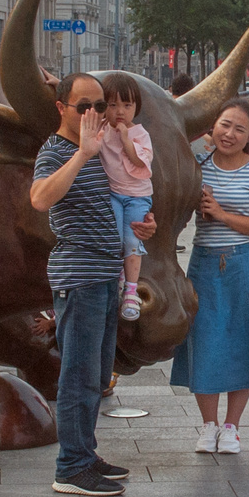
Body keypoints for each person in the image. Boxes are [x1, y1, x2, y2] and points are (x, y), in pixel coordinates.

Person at [30, 72, 155, 497]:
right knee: (79, 375)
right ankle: (71, 467)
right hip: (79, 277)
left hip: (105, 275)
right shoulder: (58, 151)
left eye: (99, 106)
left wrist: (144, 226)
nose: (94, 113)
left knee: (98, 374)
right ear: (61, 108)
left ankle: (85, 452)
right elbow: (41, 198)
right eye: (83, 105)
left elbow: (123, 199)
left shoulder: (101, 150)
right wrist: (82, 155)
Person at [171, 98, 249, 454]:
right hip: (204, 265)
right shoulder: (198, 166)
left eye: (240, 128)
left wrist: (221, 214)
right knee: (204, 343)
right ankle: (208, 426)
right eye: (224, 125)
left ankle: (232, 427)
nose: (230, 134)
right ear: (211, 127)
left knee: (244, 345)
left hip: (245, 266)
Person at [97, 73, 153, 322]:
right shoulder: (100, 128)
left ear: (135, 108)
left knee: (132, 240)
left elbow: (137, 158)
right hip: (112, 193)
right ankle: (118, 278)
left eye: (127, 105)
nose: (120, 111)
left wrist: (125, 136)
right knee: (114, 237)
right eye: (112, 105)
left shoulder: (140, 134)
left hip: (137, 197)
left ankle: (131, 289)